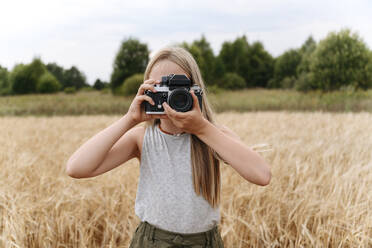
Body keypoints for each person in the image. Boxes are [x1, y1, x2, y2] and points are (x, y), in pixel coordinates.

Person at [66, 46, 272, 247]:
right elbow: (76, 168)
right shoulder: (141, 137)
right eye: (160, 89)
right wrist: (130, 119)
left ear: (195, 90)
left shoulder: (213, 135)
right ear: (147, 91)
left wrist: (201, 128)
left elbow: (262, 175)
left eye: (178, 90)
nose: (171, 97)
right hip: (152, 241)